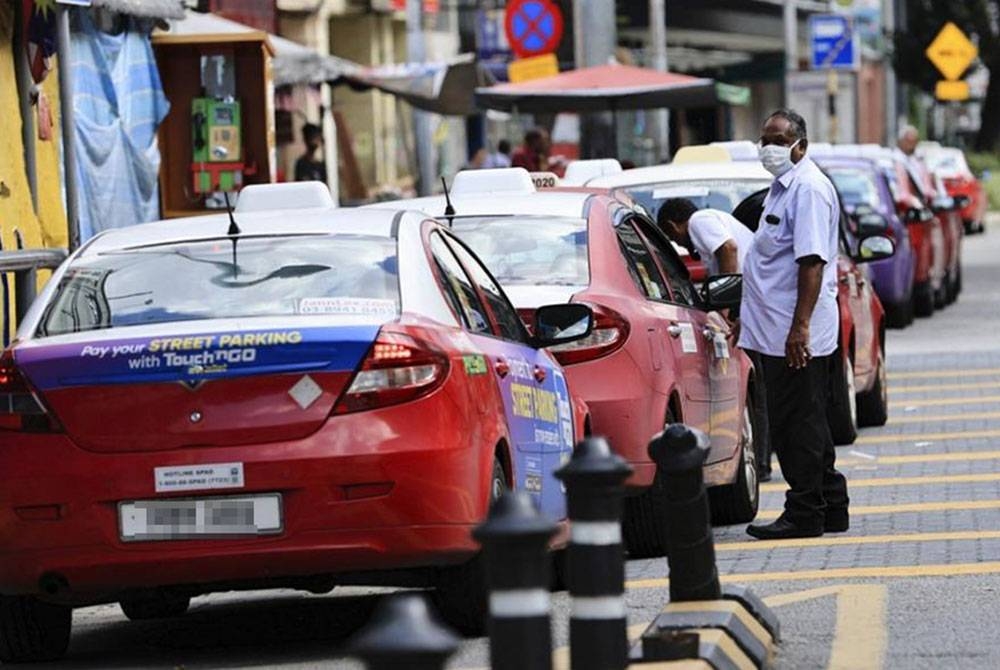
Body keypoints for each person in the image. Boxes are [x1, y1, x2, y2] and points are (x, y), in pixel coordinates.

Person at [739, 109, 849, 540]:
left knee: (794, 424)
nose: (769, 148)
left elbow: (811, 262)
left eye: (778, 140)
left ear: (800, 144)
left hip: (793, 332)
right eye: (764, 138)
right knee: (809, 419)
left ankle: (804, 512)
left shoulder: (807, 189)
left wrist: (799, 327)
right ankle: (829, 503)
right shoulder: (783, 188)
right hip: (777, 327)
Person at [658, 197, 772, 482]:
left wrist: (725, 306)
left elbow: (729, 249)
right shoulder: (715, 220)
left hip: (753, 300)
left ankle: (761, 461)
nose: (683, 247)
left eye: (675, 239)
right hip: (756, 299)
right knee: (758, 386)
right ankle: (762, 460)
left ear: (673, 226)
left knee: (757, 384)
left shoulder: (700, 221)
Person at [657, 198, 754, 276]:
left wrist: (726, 290)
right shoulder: (705, 222)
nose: (678, 244)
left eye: (672, 237)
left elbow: (728, 248)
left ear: (672, 226)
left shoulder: (697, 220)